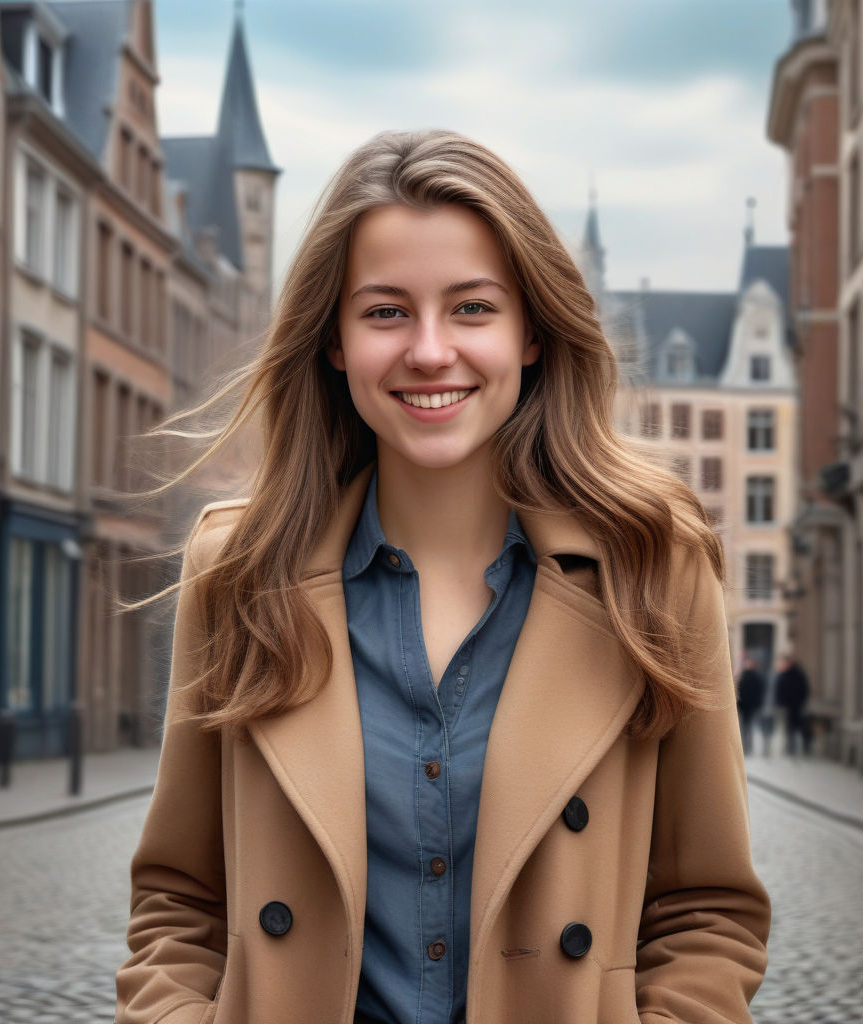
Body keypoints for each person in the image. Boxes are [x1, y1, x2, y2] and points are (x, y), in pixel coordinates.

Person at [115, 130, 769, 1024]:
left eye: (471, 309)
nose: (429, 352)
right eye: (385, 312)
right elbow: (180, 903)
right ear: (335, 340)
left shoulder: (652, 562)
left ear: (532, 332)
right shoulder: (238, 571)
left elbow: (709, 913)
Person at [774, 654, 811, 756]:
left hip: (795, 706)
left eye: (784, 663)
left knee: (796, 727)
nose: (782, 664)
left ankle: (799, 747)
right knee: (789, 728)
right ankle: (790, 748)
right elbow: (779, 691)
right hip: (787, 706)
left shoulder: (797, 675)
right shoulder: (783, 674)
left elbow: (803, 690)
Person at [735, 653, 766, 756]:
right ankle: (744, 746)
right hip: (744, 705)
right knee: (744, 726)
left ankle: (748, 747)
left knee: (748, 726)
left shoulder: (756, 677)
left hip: (750, 706)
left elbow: (760, 692)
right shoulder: (743, 675)